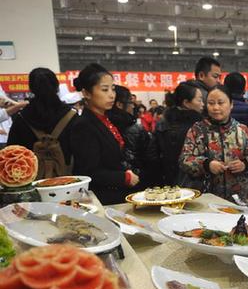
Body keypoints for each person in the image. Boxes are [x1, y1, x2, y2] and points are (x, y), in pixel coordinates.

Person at [70, 63, 140, 205]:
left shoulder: (105, 119)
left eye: (112, 89)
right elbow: (88, 172)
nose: (111, 95)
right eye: (104, 89)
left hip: (116, 195)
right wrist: (123, 177)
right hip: (102, 199)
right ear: (86, 93)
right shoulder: (84, 125)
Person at [179, 85, 248, 201]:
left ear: (231, 104)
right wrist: (206, 165)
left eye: (220, 102)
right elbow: (184, 160)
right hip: (208, 199)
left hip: (240, 199)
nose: (215, 107)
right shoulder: (197, 130)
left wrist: (245, 164)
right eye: (211, 103)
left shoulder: (242, 130)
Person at [7, 68, 77, 177]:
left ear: (31, 89)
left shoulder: (21, 119)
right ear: (57, 86)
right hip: (70, 181)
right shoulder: (71, 116)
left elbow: (11, 155)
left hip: (32, 183)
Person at [148, 81, 204, 185]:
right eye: (200, 100)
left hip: (167, 182)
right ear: (186, 103)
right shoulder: (198, 126)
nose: (203, 104)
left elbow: (153, 156)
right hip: (194, 182)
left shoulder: (162, 123)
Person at [107, 85, 153, 188]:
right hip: (137, 182)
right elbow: (150, 159)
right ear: (119, 104)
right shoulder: (136, 128)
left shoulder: (104, 125)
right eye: (130, 102)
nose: (133, 106)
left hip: (112, 183)